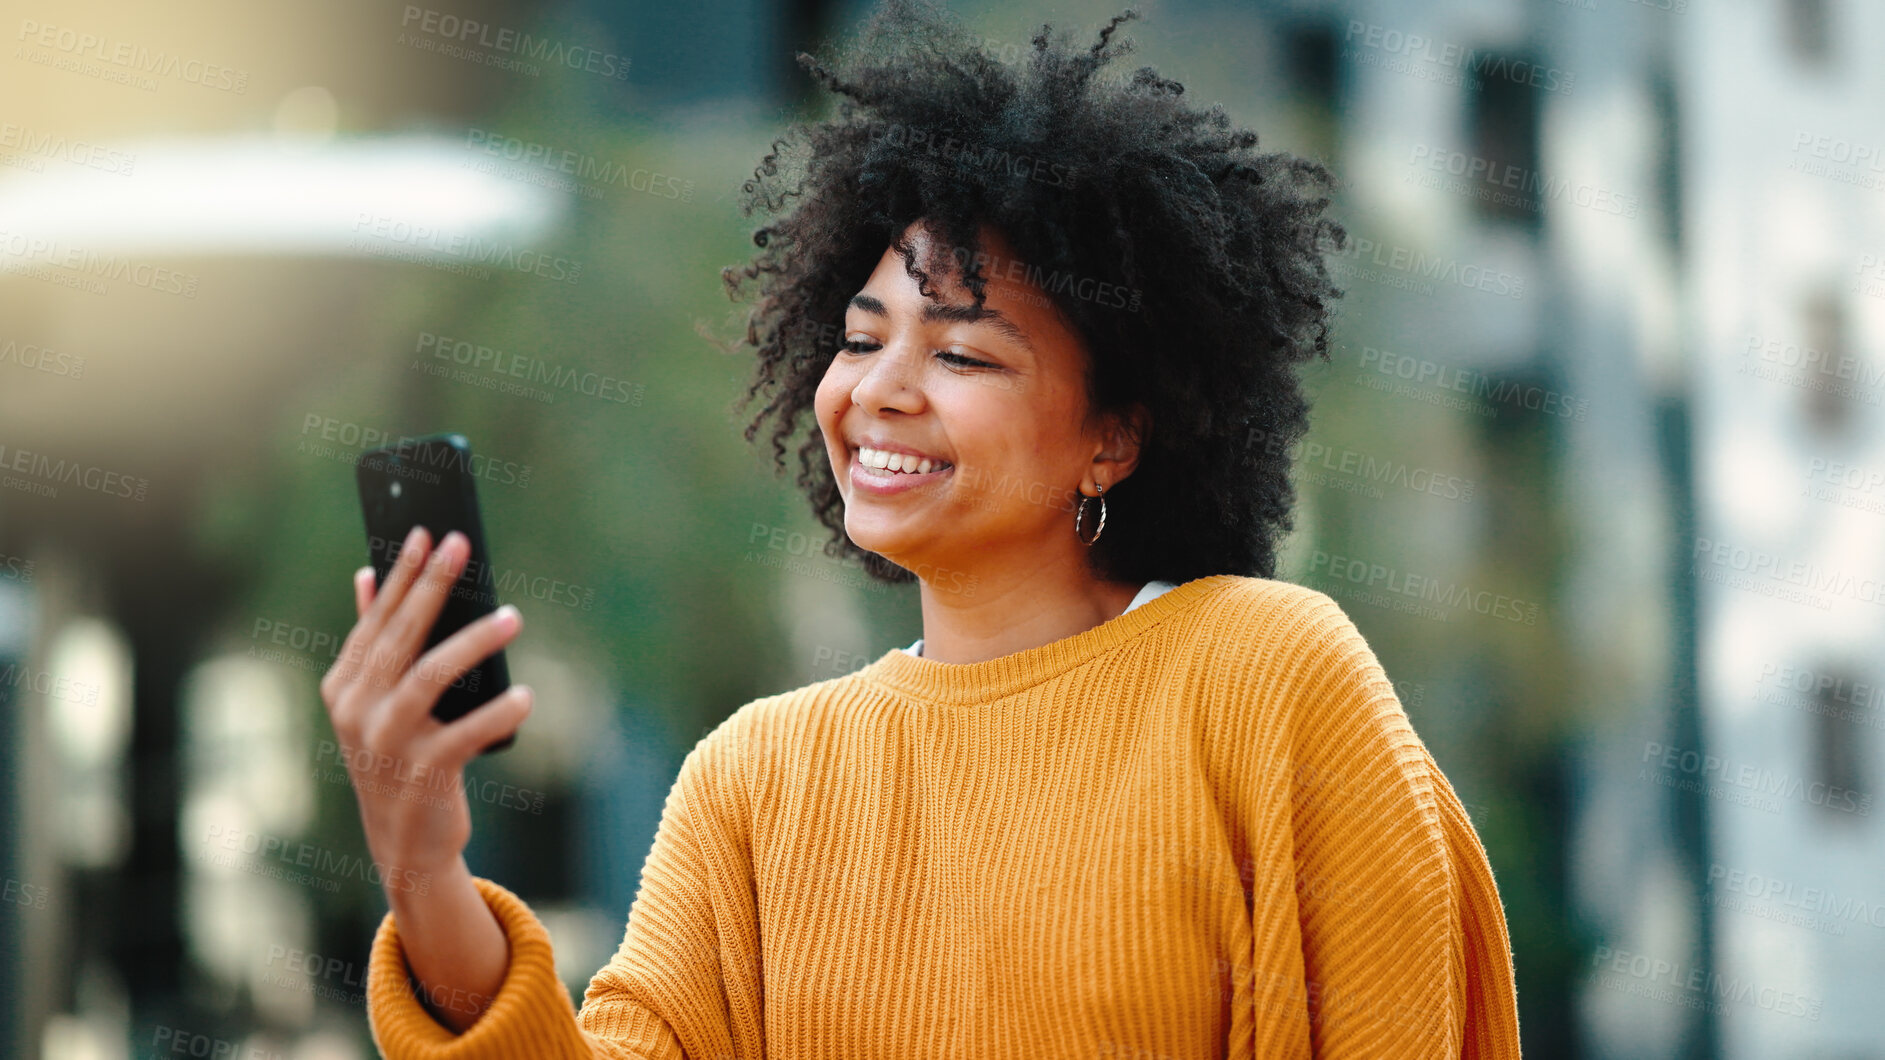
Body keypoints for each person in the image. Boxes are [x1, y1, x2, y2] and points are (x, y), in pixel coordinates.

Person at [318, 1, 1522, 1056]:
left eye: (959, 351)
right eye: (858, 336)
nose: (879, 388)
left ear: (1113, 433)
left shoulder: (1267, 676)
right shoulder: (753, 780)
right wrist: (423, 869)